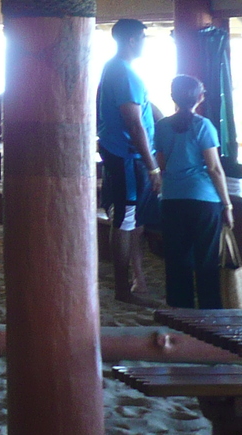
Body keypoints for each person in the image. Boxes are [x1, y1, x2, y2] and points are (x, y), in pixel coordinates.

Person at [97, 18, 164, 305]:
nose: (146, 44)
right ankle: (123, 290)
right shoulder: (124, 73)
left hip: (120, 154)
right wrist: (153, 166)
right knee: (124, 221)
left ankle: (135, 281)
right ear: (133, 40)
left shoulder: (114, 68)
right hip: (128, 158)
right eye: (144, 38)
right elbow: (134, 124)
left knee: (129, 220)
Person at [155, 74, 233, 309]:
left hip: (172, 199)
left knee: (177, 261)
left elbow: (162, 163)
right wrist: (227, 204)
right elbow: (214, 168)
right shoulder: (203, 125)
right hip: (204, 200)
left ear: (172, 97)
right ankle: (210, 314)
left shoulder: (161, 127)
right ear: (200, 98)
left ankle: (181, 312)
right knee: (206, 260)